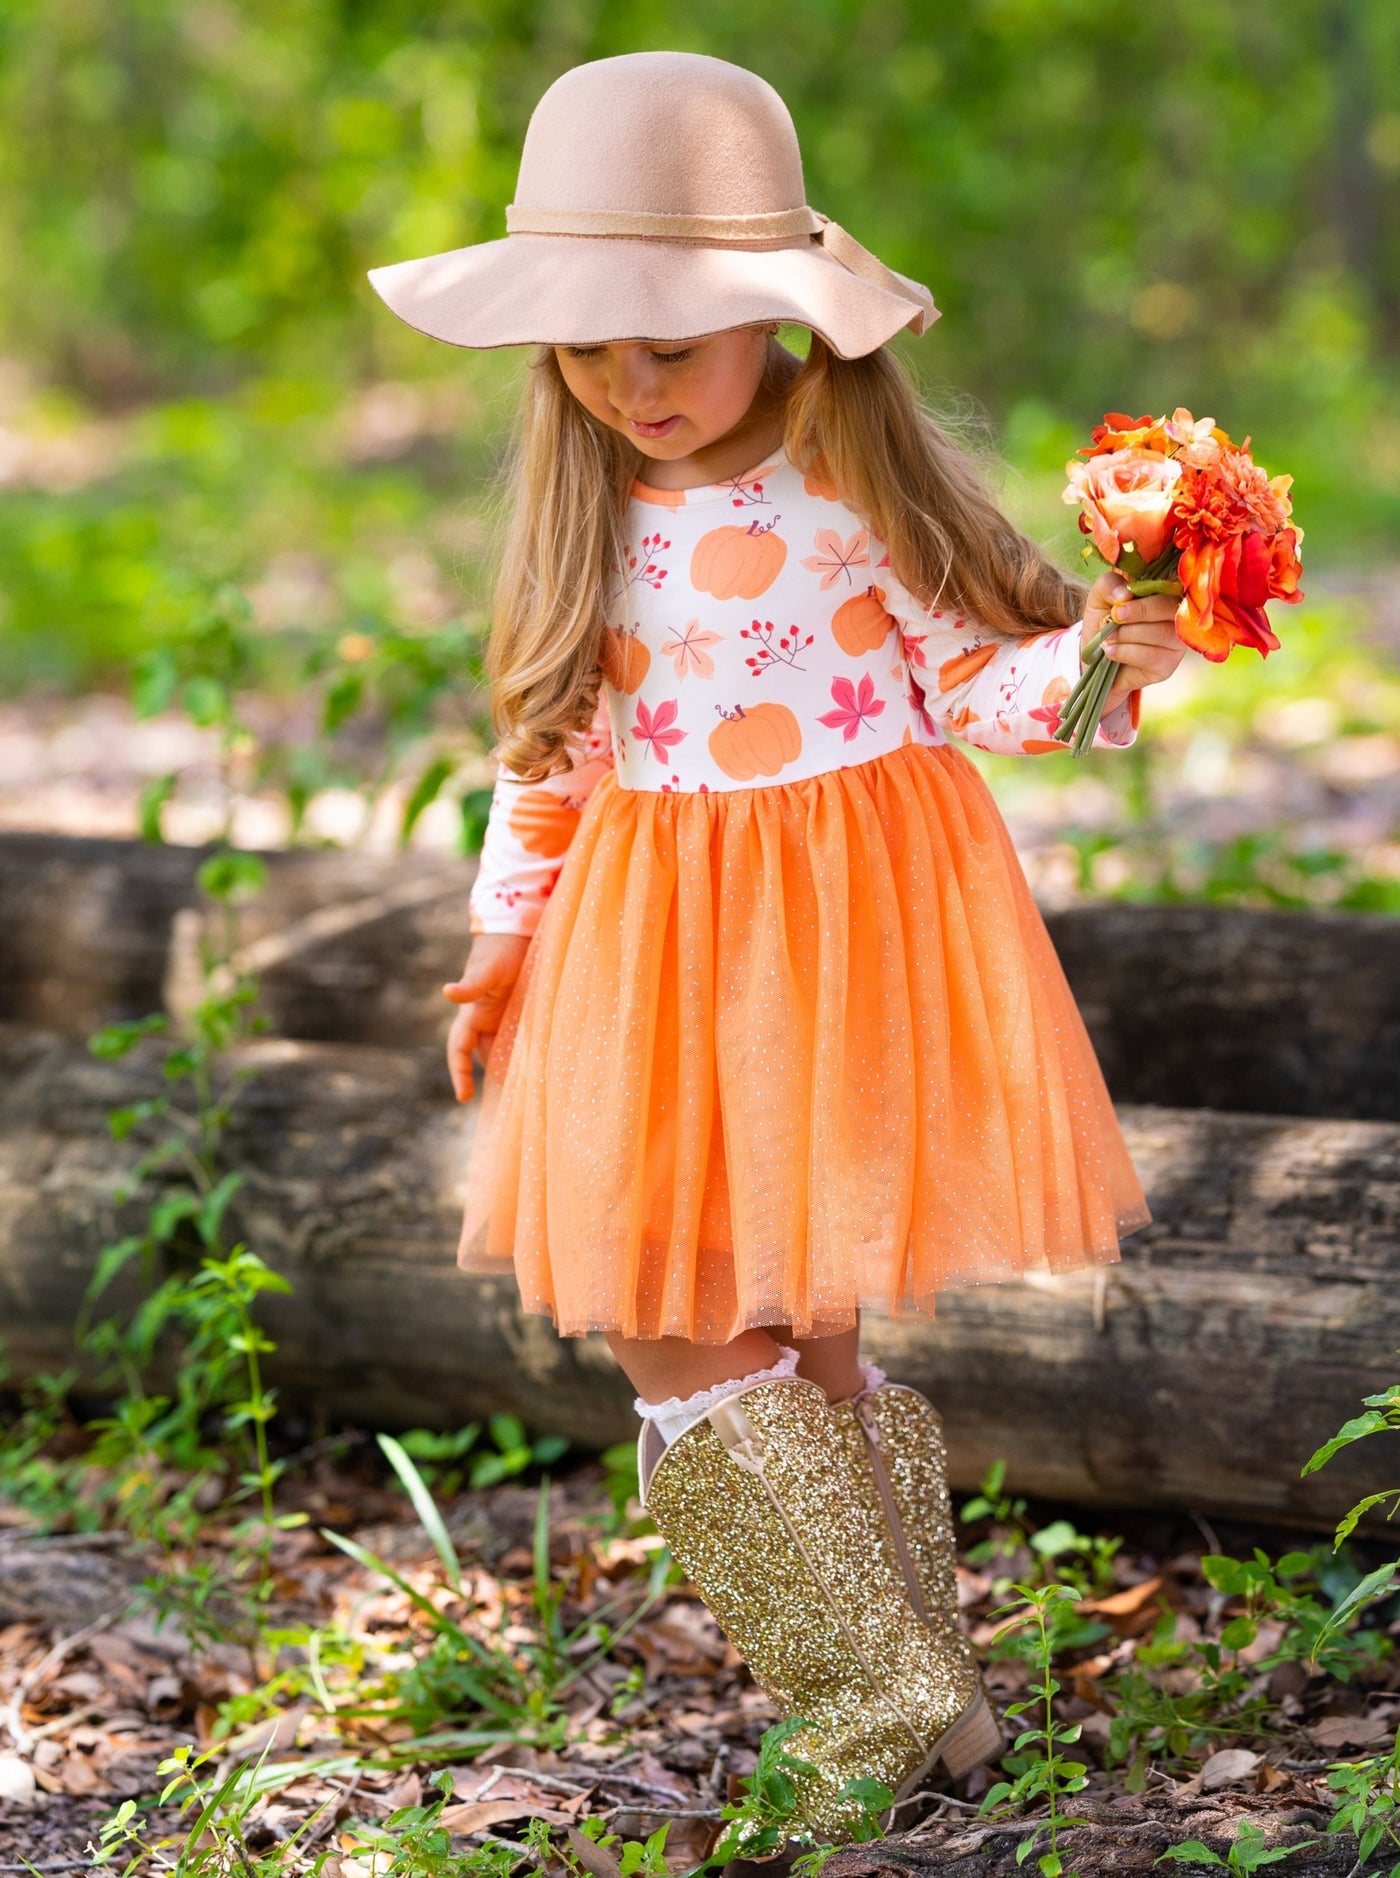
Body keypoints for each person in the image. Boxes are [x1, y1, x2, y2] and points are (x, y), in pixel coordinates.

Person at [368, 49, 1184, 1845]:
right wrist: (500, 944)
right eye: (590, 343)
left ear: (777, 315)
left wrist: (1112, 654)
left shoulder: (842, 477)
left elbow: (976, 677)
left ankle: (865, 1691)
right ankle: (937, 1697)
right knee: (714, 1321)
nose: (631, 383)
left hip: (837, 934)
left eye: (673, 337)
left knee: (750, 1328)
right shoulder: (589, 507)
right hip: (648, 951)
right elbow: (555, 754)